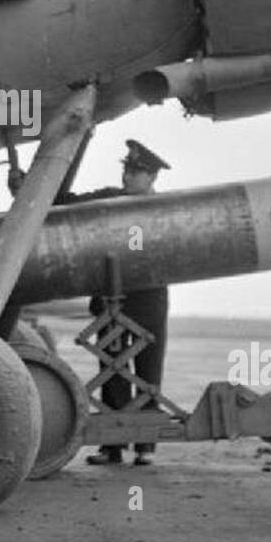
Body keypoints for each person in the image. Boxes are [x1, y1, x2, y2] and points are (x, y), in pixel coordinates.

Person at [63, 140, 171, 466]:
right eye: (126, 170)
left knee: (148, 371)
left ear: (152, 176)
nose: (127, 177)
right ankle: (112, 446)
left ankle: (145, 446)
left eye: (135, 172)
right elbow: (65, 201)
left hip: (149, 299)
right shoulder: (110, 197)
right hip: (113, 298)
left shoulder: (169, 208)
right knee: (112, 368)